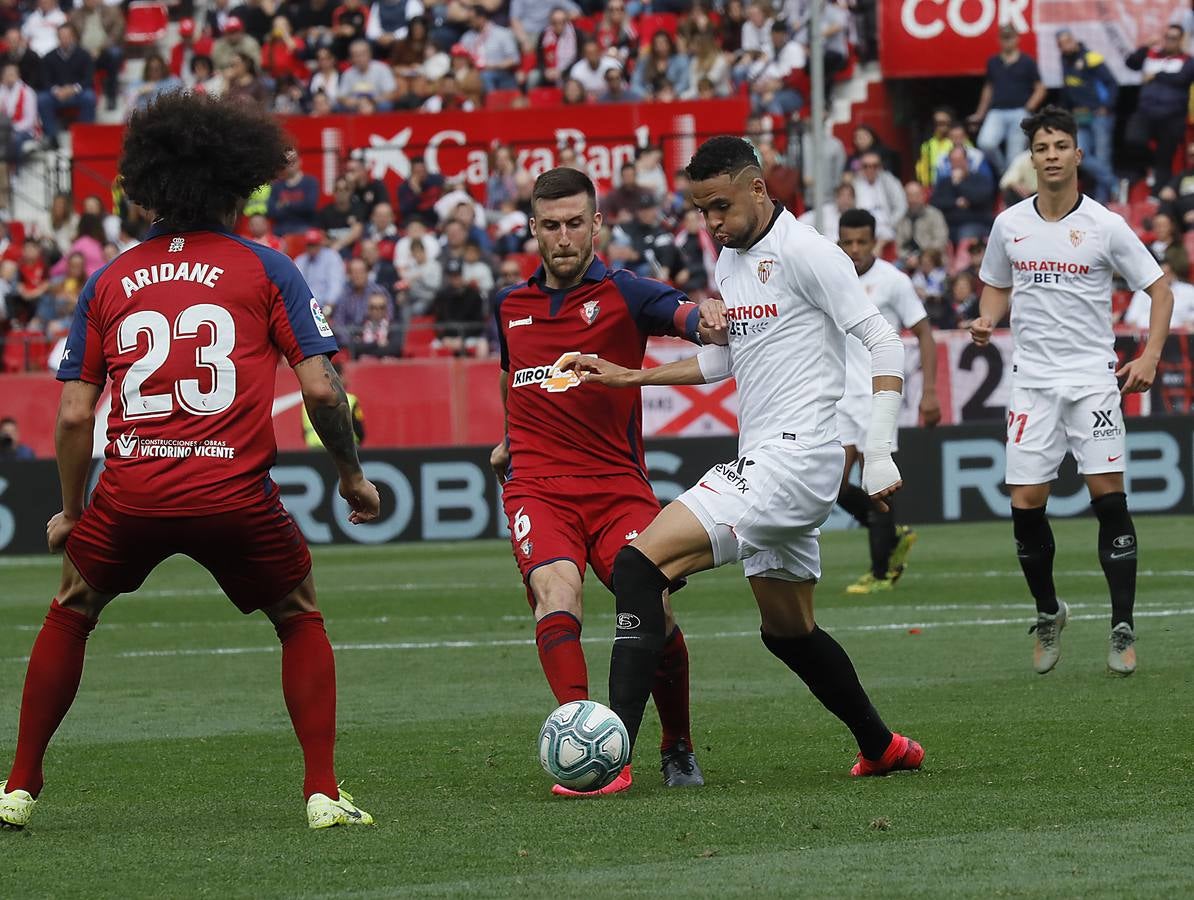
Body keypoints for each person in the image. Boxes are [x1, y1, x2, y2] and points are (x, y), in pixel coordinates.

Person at [0, 94, 379, 832]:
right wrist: (350, 476)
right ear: (236, 186)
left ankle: (17, 786)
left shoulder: (108, 279)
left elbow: (76, 413)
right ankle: (323, 792)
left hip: (132, 492)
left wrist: (75, 513)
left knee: (73, 607)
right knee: (298, 614)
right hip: (235, 494)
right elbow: (321, 389)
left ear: (152, 187)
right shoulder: (268, 268)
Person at [567, 136, 924, 782]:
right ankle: (883, 746)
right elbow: (724, 359)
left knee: (637, 564)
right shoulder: (732, 261)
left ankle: (611, 757)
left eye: (719, 206)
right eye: (701, 211)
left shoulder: (808, 253)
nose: (711, 223)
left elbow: (884, 341)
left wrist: (878, 448)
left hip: (795, 460)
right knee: (787, 631)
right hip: (770, 459)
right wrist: (626, 376)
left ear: (757, 188)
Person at [489, 166, 716, 796]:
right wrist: (511, 438)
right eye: (551, 225)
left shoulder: (627, 293)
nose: (564, 237)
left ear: (597, 225)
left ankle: (677, 745)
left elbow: (684, 313)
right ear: (534, 229)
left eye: (575, 224)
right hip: (538, 485)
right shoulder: (508, 305)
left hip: (617, 487)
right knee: (556, 595)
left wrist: (708, 316)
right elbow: (516, 377)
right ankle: (592, 754)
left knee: (656, 608)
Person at [970, 106, 1173, 677]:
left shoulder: (1106, 225)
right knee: (1025, 505)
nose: (1052, 154)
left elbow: (1160, 290)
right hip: (1032, 382)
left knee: (1108, 497)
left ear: (1078, 155)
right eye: (1042, 147)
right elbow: (994, 289)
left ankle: (1122, 625)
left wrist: (1150, 355)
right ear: (1031, 158)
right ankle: (1048, 610)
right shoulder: (1009, 224)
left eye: (1061, 145)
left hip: (1091, 380)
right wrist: (987, 321)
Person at [835, 208, 940, 594]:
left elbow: (925, 334)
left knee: (873, 482)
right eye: (848, 242)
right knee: (830, 483)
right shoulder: (832, 277)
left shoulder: (893, 281)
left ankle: (880, 574)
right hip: (838, 398)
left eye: (862, 241)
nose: (855, 249)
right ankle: (891, 537)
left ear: (875, 241)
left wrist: (929, 392)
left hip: (878, 395)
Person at [967, 25, 1045, 175]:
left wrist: (1029, 106)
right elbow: (988, 89)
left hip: (1019, 111)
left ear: (1017, 39)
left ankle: (1010, 183)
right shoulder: (993, 61)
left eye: (1010, 37)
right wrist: (980, 113)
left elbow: (1040, 87)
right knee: (985, 143)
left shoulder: (1027, 61)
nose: (1007, 41)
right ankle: (1005, 172)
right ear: (999, 40)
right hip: (997, 110)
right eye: (1004, 38)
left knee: (1014, 155)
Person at [1125, 25, 1194, 191]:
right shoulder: (1151, 55)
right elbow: (1131, 63)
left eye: (1174, 38)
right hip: (1146, 112)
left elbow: (1182, 79)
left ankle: (1158, 195)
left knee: (1165, 158)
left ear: (1181, 40)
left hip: (1172, 116)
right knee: (1133, 140)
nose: (1170, 41)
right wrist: (1145, 47)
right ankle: (1146, 167)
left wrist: (1156, 75)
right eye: (1167, 37)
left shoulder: (1187, 60)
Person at [1055, 30, 1117, 203]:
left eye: (1068, 41)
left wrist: (1106, 106)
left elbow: (1112, 83)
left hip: (1099, 115)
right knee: (1079, 156)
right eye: (1061, 44)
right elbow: (1067, 91)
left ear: (1074, 40)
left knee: (1103, 156)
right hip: (1079, 116)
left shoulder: (1091, 58)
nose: (1066, 46)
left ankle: (1102, 201)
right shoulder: (1064, 61)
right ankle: (1113, 182)